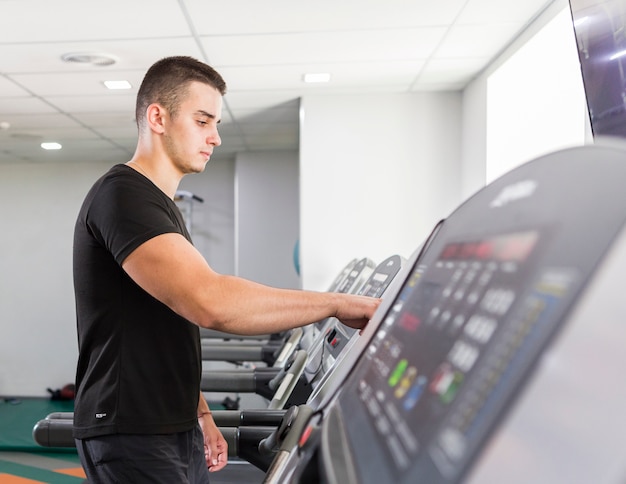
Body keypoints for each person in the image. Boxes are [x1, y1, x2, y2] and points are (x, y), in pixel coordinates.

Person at [72, 55, 381, 483]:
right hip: (134, 431)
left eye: (216, 124)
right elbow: (211, 301)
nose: (215, 137)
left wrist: (198, 412)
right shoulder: (124, 196)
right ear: (158, 117)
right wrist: (336, 304)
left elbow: (164, 327)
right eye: (203, 121)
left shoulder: (159, 206)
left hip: (170, 425)